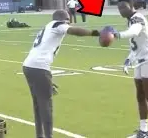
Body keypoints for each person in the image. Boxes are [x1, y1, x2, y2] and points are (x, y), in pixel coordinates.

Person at [22, 10, 100, 138]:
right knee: (46, 105)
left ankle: (40, 135)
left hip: (29, 66)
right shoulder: (58, 25)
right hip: (39, 67)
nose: (69, 22)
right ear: (62, 19)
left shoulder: (48, 26)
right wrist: (95, 33)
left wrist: (47, 80)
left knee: (38, 104)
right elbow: (74, 31)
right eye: (68, 19)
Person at [111, 0, 148, 138]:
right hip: (139, 61)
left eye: (124, 7)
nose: (121, 11)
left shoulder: (138, 18)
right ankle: (143, 130)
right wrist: (128, 60)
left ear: (131, 6)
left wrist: (117, 35)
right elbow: (135, 47)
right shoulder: (130, 20)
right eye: (119, 8)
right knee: (140, 96)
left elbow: (134, 32)